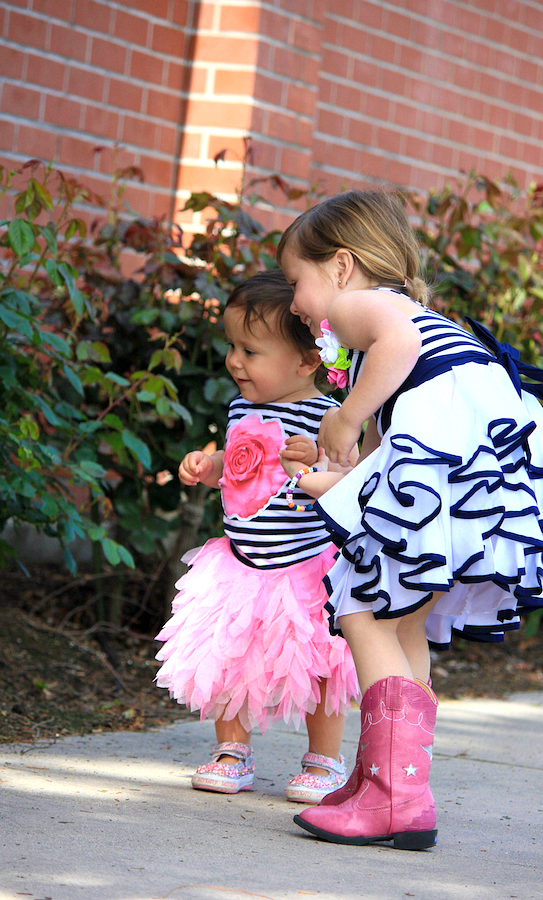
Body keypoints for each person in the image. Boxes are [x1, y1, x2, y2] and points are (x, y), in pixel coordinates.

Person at [276, 188, 543, 849]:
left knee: (360, 610)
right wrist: (331, 476)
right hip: (477, 485)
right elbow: (393, 458)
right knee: (403, 620)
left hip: (453, 480)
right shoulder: (415, 327)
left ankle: (392, 796)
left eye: (298, 282)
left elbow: (398, 350)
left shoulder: (369, 312)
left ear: (343, 266)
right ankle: (391, 781)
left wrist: (345, 415)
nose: (296, 303)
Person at [155, 270, 359, 803]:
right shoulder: (241, 407)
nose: (235, 361)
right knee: (231, 656)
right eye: (232, 347)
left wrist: (317, 457)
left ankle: (324, 761)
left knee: (319, 664)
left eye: (251, 350)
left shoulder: (328, 415)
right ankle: (232, 751)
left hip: (306, 566)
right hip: (242, 564)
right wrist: (210, 465)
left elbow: (348, 469)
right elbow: (240, 466)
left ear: (308, 360)